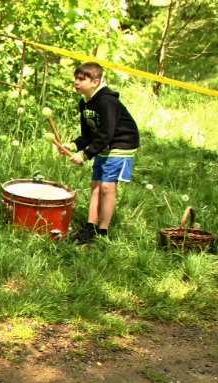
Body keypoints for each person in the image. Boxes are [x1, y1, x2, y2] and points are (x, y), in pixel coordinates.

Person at [66, 62, 140, 245]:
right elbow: (89, 134)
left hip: (121, 145)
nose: (76, 82)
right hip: (104, 145)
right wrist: (73, 146)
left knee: (107, 187)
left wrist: (84, 155)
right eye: (75, 78)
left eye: (81, 79)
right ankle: (90, 227)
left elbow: (106, 133)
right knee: (95, 185)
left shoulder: (107, 101)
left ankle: (103, 231)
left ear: (95, 82)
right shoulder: (85, 103)